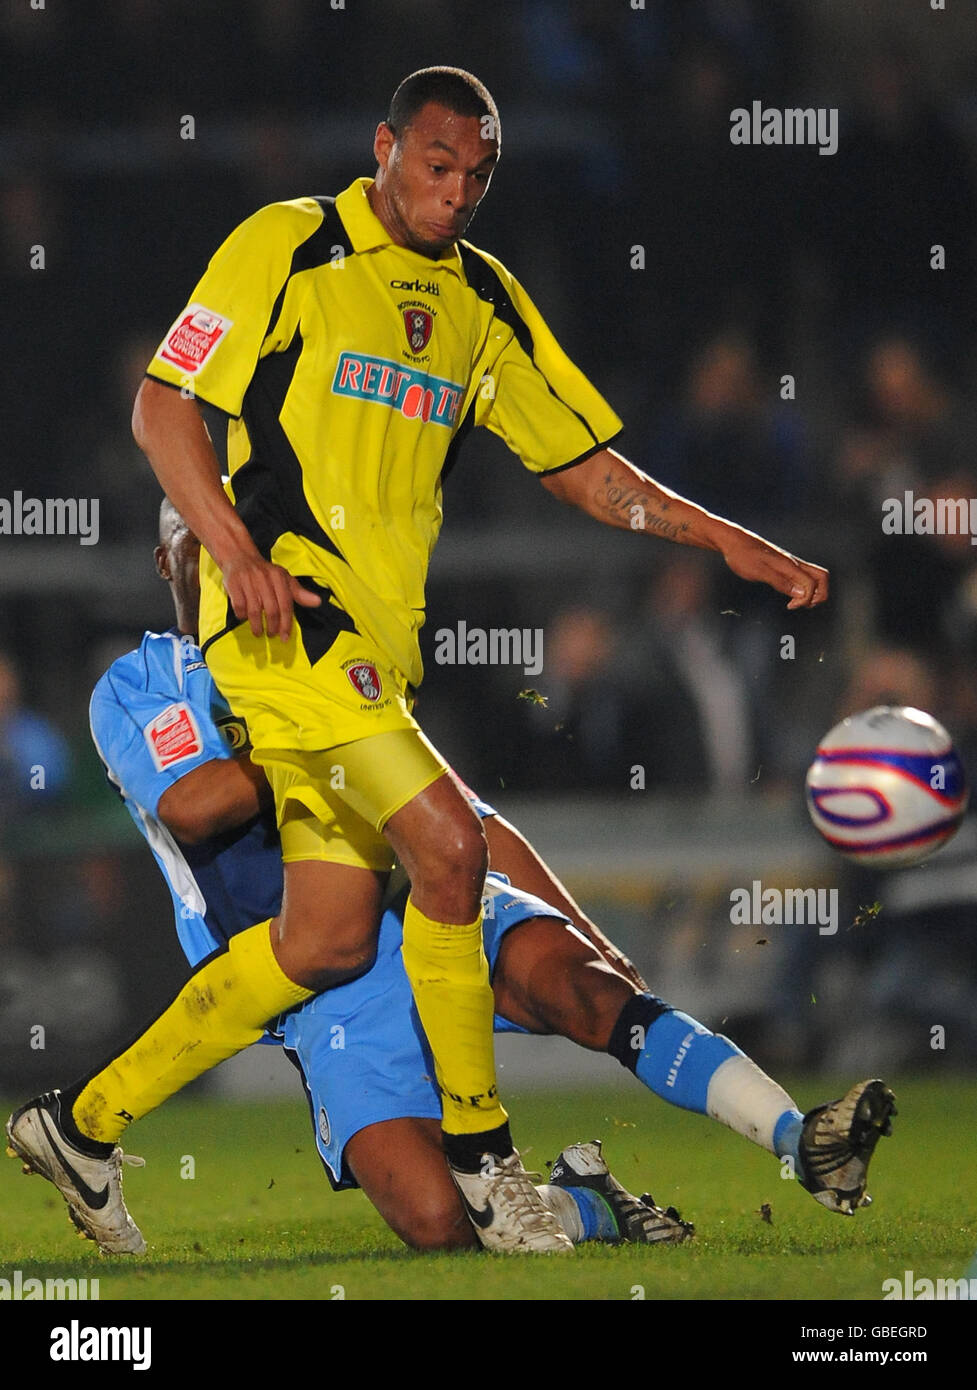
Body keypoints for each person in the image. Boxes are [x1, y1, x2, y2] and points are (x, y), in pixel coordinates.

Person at [12, 66, 829, 1254]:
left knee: (328, 934)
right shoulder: (288, 244)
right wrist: (238, 555)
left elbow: (579, 462)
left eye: (475, 177)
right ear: (386, 148)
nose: (453, 196)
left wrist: (720, 535)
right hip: (291, 627)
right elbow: (162, 407)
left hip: (369, 666)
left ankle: (82, 1125)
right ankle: (493, 1159)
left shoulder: (480, 299)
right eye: (435, 167)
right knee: (442, 839)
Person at [9, 506, 888, 1256]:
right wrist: (316, 736)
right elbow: (197, 804)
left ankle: (799, 1138)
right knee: (435, 1222)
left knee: (587, 991)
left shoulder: (320, 649)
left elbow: (459, 816)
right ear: (170, 560)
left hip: (417, 899)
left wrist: (584, 929)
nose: (225, 563)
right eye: (202, 543)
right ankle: (585, 1201)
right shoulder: (142, 680)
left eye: (241, 539)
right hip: (319, 982)